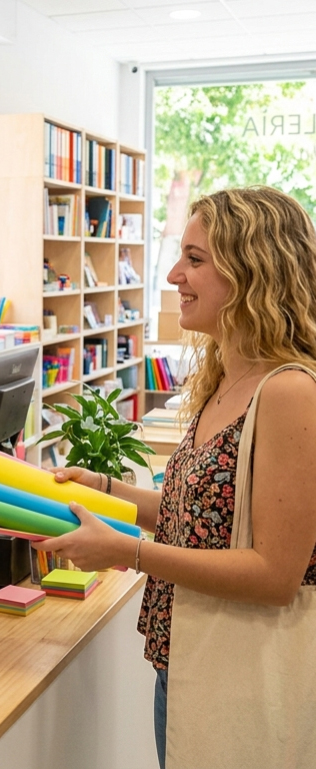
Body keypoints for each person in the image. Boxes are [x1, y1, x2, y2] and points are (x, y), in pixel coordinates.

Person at [34, 186, 316, 768]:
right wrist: (105, 491)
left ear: (252, 270)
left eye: (195, 259)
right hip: (186, 661)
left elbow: (274, 573)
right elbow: (204, 518)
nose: (172, 275)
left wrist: (130, 551)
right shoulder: (224, 378)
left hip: (245, 673)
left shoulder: (290, 392)